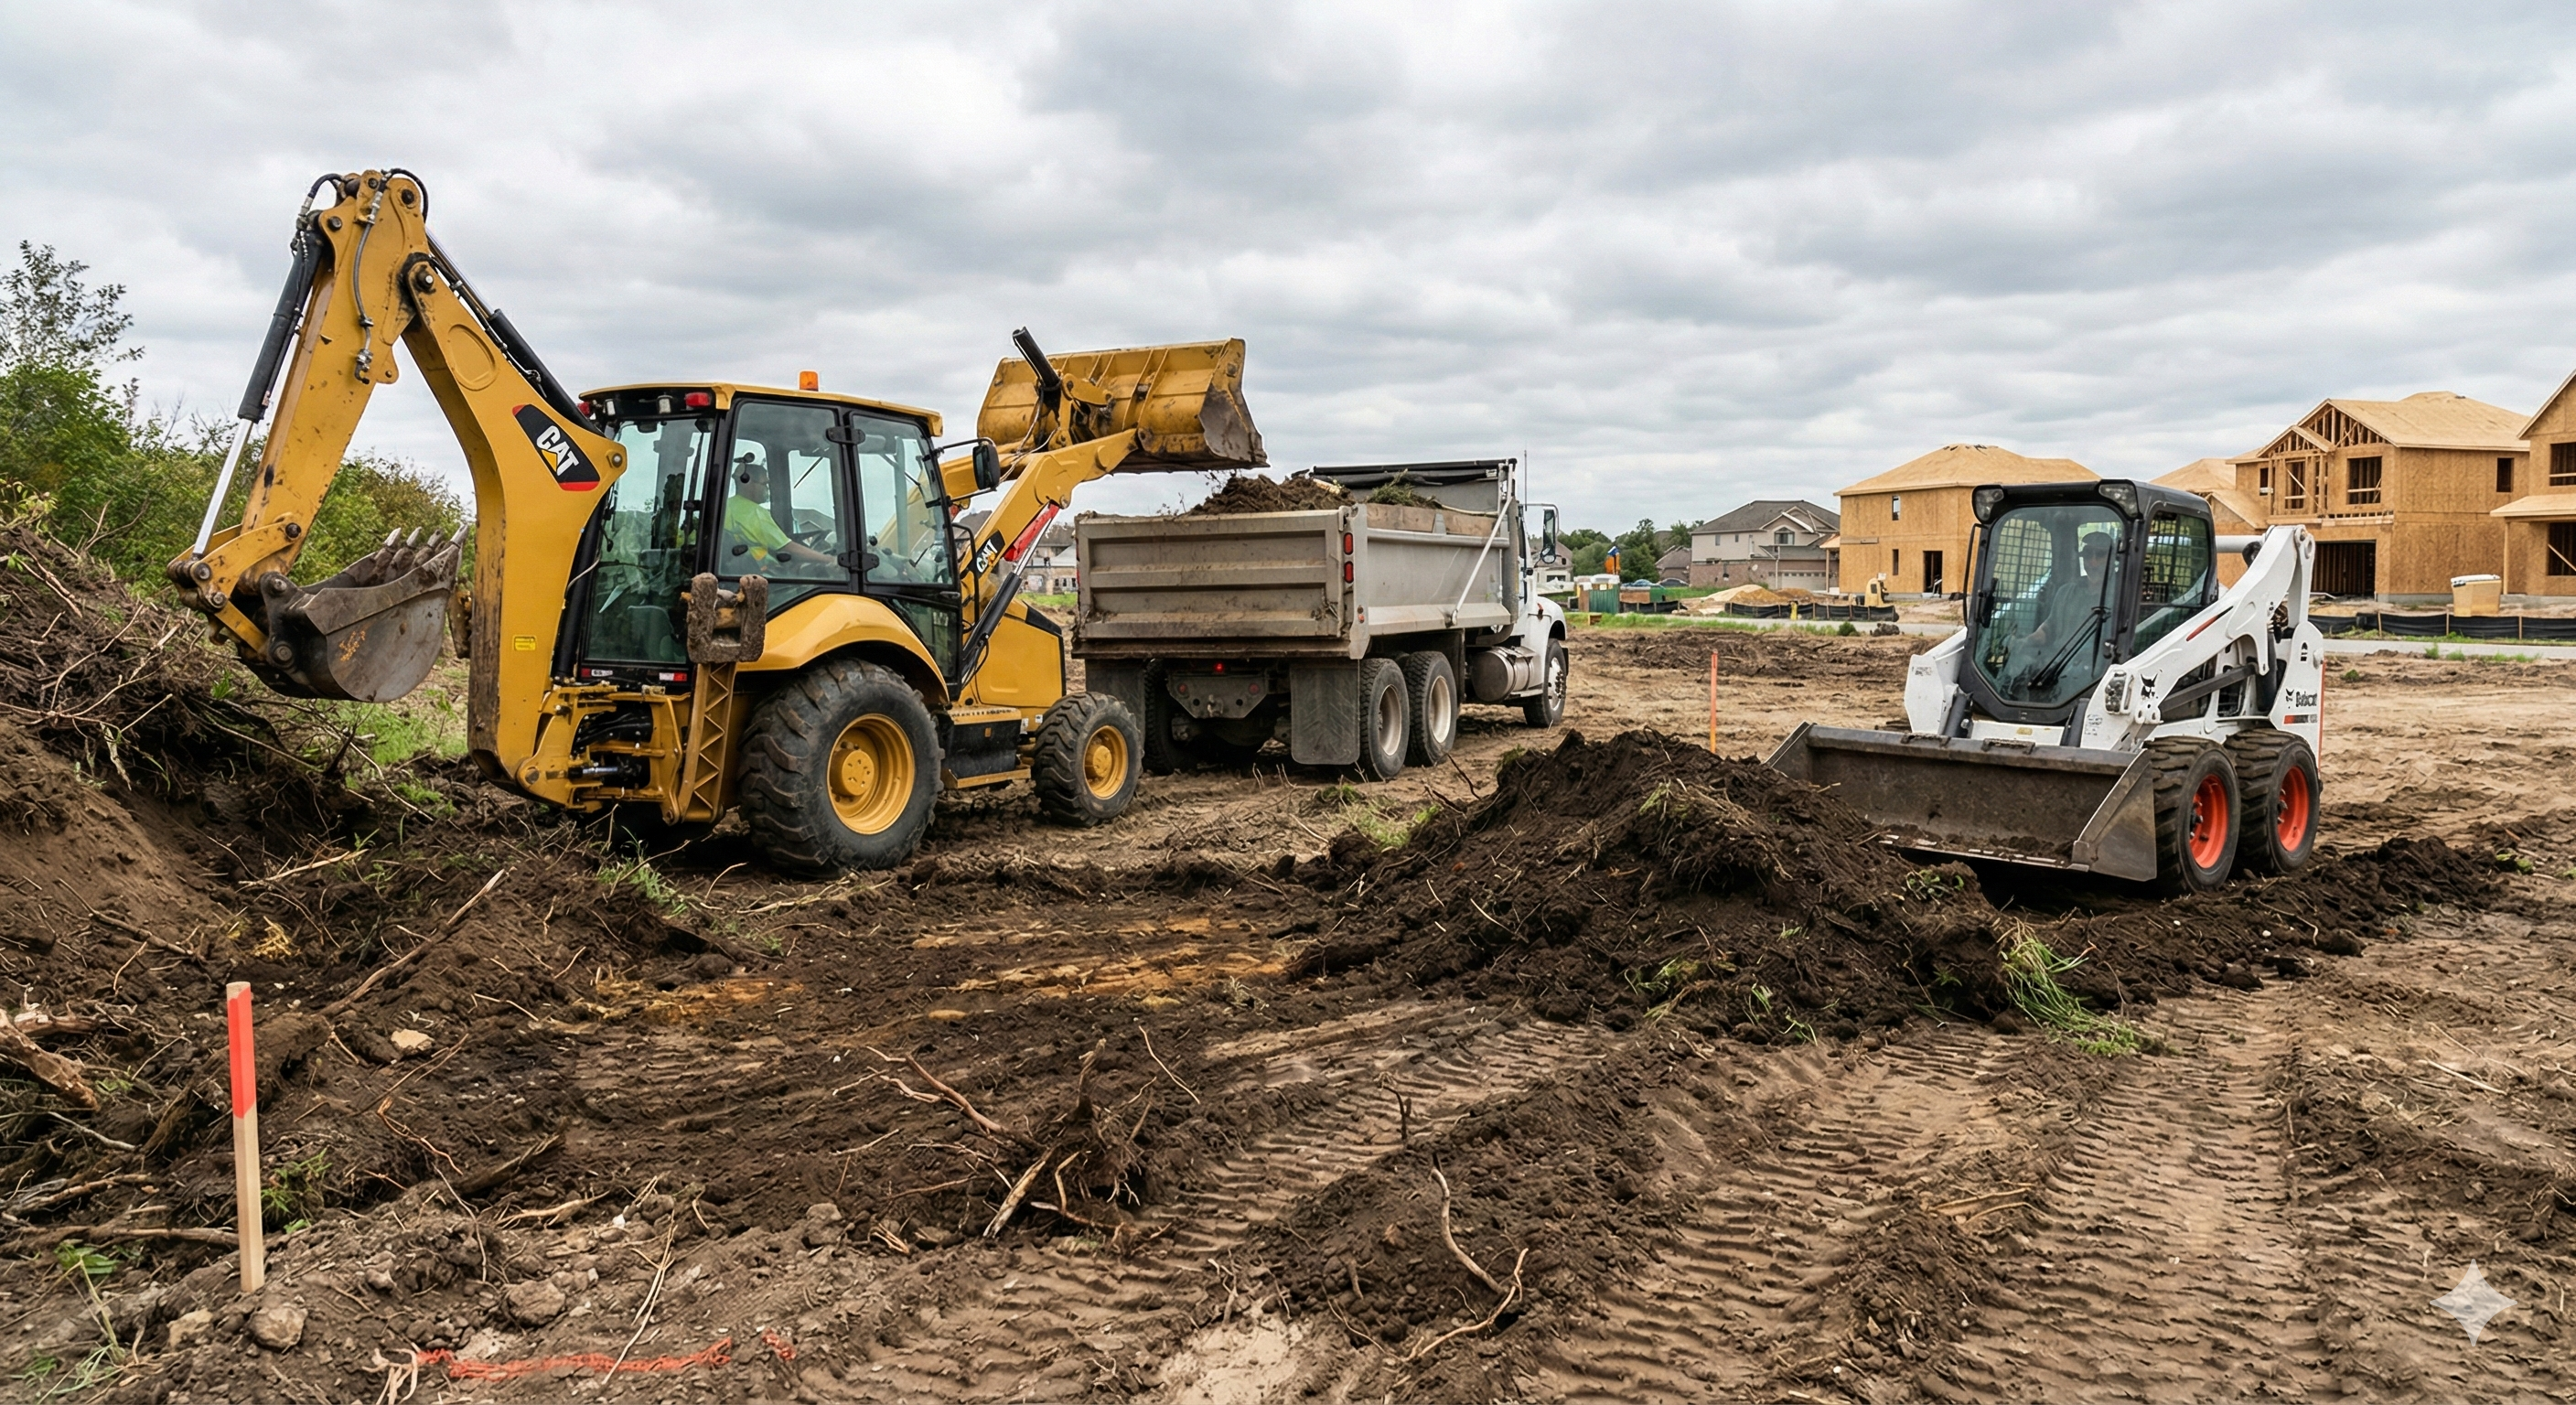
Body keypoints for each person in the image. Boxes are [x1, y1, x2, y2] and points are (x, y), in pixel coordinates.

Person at [723, 453, 837, 572]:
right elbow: (787, 548)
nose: (767, 489)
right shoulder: (754, 513)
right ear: (748, 483)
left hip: (742, 572)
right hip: (764, 576)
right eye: (765, 484)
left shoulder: (727, 506)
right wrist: (829, 560)